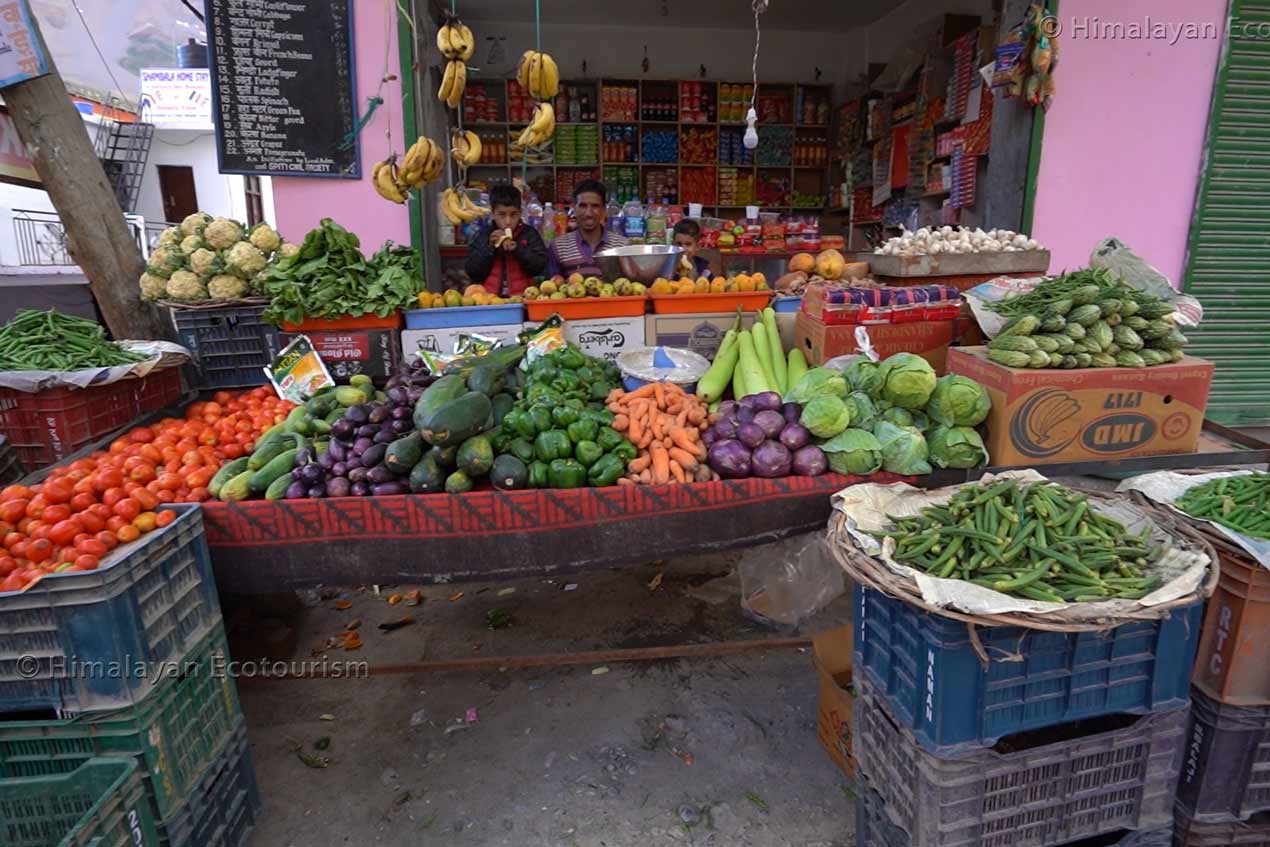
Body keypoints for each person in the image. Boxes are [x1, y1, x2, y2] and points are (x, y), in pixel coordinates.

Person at [465, 184, 548, 296]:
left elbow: (539, 267)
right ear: (493, 214)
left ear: (520, 213)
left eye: (513, 215)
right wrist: (489, 248)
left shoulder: (529, 234)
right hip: (490, 300)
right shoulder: (484, 235)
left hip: (524, 298)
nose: (508, 221)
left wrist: (518, 249)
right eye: (502, 215)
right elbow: (473, 272)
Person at [547, 179, 628, 278]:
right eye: (583, 206)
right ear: (574, 209)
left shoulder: (622, 246)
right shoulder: (558, 247)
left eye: (595, 206)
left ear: (603, 210)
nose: (588, 213)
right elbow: (552, 288)